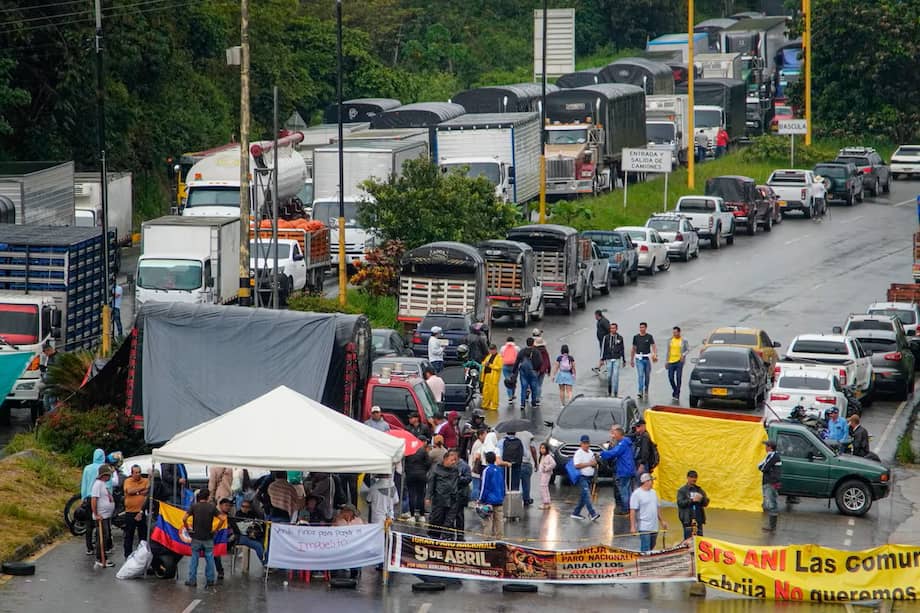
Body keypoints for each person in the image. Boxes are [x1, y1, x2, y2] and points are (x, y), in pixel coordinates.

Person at [183, 488, 221, 587]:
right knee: (210, 559)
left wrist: (188, 529)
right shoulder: (212, 507)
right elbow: (222, 519)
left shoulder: (194, 506)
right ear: (208, 497)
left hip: (196, 537)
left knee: (194, 559)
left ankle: (192, 580)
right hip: (208, 537)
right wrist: (216, 529)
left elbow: (184, 518)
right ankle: (210, 580)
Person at [600, 425, 636, 515]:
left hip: (624, 470)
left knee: (623, 490)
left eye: (615, 434)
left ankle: (625, 509)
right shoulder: (627, 442)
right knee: (628, 490)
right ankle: (631, 508)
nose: (613, 436)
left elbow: (614, 452)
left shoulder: (622, 443)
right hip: (629, 469)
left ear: (620, 434)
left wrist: (602, 454)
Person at [426, 450, 461, 540]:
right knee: (436, 519)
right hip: (439, 499)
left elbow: (459, 482)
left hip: (452, 499)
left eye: (455, 460)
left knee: (449, 521)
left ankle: (447, 537)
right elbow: (431, 483)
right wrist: (428, 497)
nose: (453, 462)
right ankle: (433, 536)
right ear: (445, 459)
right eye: (451, 460)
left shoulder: (455, 469)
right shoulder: (436, 468)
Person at [630, 473, 667, 552]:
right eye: (651, 481)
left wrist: (662, 521)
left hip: (654, 525)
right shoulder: (637, 494)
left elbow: (657, 507)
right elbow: (632, 511)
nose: (653, 482)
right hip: (644, 526)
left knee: (652, 545)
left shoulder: (653, 492)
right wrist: (633, 526)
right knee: (646, 547)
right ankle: (644, 562)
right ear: (646, 482)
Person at [81, 448, 106, 556]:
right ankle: (101, 546)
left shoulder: (87, 468)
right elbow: (108, 484)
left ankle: (89, 548)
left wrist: (83, 497)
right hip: (100, 498)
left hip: (89, 498)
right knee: (101, 523)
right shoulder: (103, 468)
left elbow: (84, 484)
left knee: (89, 524)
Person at [91, 464, 116, 568]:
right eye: (108, 475)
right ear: (104, 475)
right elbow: (94, 500)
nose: (110, 477)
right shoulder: (97, 485)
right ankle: (100, 558)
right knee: (102, 537)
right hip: (101, 516)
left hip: (105, 515)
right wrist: (96, 514)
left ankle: (103, 556)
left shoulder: (102, 484)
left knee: (105, 536)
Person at [571, 435, 600, 521]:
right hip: (581, 477)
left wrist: (595, 463)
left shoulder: (591, 452)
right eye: (584, 443)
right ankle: (592, 513)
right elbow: (576, 465)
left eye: (587, 443)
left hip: (589, 477)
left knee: (584, 497)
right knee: (587, 495)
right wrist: (589, 464)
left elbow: (594, 463)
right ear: (581, 444)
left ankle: (576, 513)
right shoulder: (578, 453)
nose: (586, 445)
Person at [122, 464, 149, 558]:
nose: (138, 474)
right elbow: (129, 491)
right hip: (130, 512)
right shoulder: (127, 481)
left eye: (139, 472)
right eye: (136, 472)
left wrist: (136, 492)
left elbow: (148, 491)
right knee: (129, 535)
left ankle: (142, 556)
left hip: (142, 512)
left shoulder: (145, 480)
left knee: (143, 536)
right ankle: (127, 556)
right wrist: (140, 490)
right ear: (132, 473)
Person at [333, 504, 365, 579]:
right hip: (341, 545)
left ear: (351, 512)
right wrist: (337, 520)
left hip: (354, 546)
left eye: (346, 511)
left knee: (356, 554)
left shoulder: (358, 521)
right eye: (343, 511)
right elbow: (332, 531)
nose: (343, 513)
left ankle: (354, 573)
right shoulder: (340, 521)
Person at [478, 451, 505, 538]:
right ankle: (499, 540)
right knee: (499, 521)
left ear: (486, 460)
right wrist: (502, 496)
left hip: (489, 501)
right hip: (499, 499)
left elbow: (484, 486)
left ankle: (486, 540)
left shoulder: (486, 470)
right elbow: (503, 484)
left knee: (488, 521)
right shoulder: (499, 470)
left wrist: (481, 499)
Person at [676, 470, 709, 539]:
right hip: (687, 519)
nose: (694, 479)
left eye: (695, 477)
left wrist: (702, 499)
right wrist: (692, 500)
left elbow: (706, 503)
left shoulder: (699, 490)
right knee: (688, 540)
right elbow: (680, 503)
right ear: (687, 478)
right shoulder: (682, 490)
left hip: (698, 519)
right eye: (692, 477)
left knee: (699, 539)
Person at [513, 337, 543, 411]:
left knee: (524, 388)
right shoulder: (536, 351)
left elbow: (517, 361)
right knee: (534, 388)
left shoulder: (522, 351)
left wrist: (514, 371)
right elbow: (540, 361)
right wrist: (537, 369)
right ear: (533, 343)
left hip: (523, 372)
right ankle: (533, 403)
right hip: (533, 371)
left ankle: (522, 404)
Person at [759, 440, 782, 532]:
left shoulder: (772, 456)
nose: (765, 447)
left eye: (766, 446)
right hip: (772, 482)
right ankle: (772, 525)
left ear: (770, 447)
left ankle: (772, 527)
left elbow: (763, 467)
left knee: (771, 503)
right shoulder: (773, 455)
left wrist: (761, 467)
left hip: (770, 482)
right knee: (771, 503)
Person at [404, 442, 431, 522]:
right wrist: (424, 470)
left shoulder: (409, 451)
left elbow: (405, 463)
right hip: (421, 475)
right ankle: (421, 515)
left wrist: (408, 471)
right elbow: (429, 463)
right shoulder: (423, 451)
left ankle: (412, 514)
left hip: (410, 475)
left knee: (411, 494)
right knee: (421, 495)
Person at [630, 322, 658, 400]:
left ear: (646, 328)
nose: (641, 329)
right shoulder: (636, 337)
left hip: (647, 358)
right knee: (640, 375)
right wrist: (631, 360)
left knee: (647, 376)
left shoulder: (649, 337)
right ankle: (640, 391)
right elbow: (633, 348)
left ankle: (646, 389)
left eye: (643, 327)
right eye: (640, 327)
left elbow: (653, 346)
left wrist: (655, 354)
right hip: (639, 359)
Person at [600, 323, 627, 397]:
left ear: (616, 329)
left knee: (616, 375)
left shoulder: (620, 338)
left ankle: (615, 392)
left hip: (617, 358)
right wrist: (602, 359)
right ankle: (609, 389)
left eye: (614, 328)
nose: (612, 330)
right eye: (611, 328)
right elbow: (603, 348)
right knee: (609, 376)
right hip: (608, 358)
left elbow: (622, 349)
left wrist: (624, 360)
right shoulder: (606, 337)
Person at [665, 326, 690, 401]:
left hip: (679, 361)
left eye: (676, 332)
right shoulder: (670, 340)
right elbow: (668, 351)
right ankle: (675, 390)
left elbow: (688, 349)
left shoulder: (683, 340)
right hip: (671, 361)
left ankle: (677, 394)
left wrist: (683, 355)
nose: (674, 334)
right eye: (673, 332)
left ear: (679, 332)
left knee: (678, 377)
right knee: (670, 378)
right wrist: (666, 361)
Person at [452, 455, 472, 539]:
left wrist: (458, 478)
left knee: (459, 515)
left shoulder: (464, 466)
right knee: (451, 515)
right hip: (452, 493)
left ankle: (460, 535)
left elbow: (468, 478)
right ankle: (450, 534)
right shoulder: (451, 464)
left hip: (461, 494)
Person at [517, 429, 538, 506]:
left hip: (515, 463)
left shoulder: (514, 433)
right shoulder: (529, 435)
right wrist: (536, 463)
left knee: (515, 484)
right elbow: (533, 449)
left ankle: (515, 499)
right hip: (526, 463)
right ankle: (526, 499)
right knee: (526, 483)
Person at [480, 344, 503, 411]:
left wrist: (490, 365)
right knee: (485, 392)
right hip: (487, 376)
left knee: (494, 393)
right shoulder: (488, 356)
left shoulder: (499, 357)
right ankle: (485, 405)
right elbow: (483, 363)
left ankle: (494, 406)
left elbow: (498, 367)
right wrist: (485, 364)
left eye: (493, 350)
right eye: (490, 350)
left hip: (493, 377)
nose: (491, 351)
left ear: (496, 349)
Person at [39, 341, 58, 416]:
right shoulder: (50, 357)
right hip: (48, 383)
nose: (45, 354)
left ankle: (53, 416)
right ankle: (51, 415)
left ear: (49, 350)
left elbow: (56, 371)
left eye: (45, 352)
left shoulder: (56, 358)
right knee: (46, 401)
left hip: (53, 384)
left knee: (51, 401)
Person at [533, 332, 552, 405]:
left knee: (534, 383)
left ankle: (534, 397)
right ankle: (538, 399)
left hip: (535, 369)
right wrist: (549, 370)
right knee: (539, 384)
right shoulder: (545, 351)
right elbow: (548, 361)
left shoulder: (534, 351)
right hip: (543, 370)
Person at [469, 428, 487, 500]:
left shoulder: (479, 443)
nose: (486, 436)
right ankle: (474, 501)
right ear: (480, 435)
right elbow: (476, 457)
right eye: (485, 434)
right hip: (476, 468)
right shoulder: (478, 444)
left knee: (477, 486)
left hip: (476, 468)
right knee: (476, 486)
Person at [537, 443, 556, 510]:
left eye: (543, 448)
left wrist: (546, 468)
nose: (542, 450)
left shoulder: (548, 456)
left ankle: (546, 502)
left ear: (547, 449)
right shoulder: (542, 456)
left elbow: (553, 464)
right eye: (541, 448)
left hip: (546, 473)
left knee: (543, 486)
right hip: (543, 474)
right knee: (544, 487)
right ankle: (546, 502)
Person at [500, 337, 519, 405]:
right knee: (513, 381)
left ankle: (510, 397)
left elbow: (501, 356)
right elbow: (518, 357)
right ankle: (513, 394)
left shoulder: (503, 348)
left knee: (508, 381)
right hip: (514, 366)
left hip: (505, 366)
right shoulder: (517, 348)